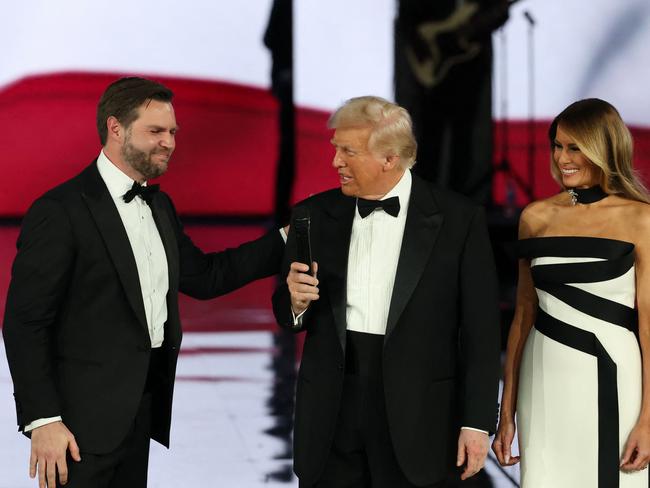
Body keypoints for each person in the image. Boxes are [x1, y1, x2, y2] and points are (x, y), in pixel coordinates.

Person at [3, 77, 286, 488]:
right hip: (76, 429)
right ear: (115, 128)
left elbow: (205, 277)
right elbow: (24, 324)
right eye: (155, 131)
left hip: (138, 415)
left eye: (172, 132)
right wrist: (43, 420)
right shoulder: (60, 211)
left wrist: (286, 240)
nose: (169, 142)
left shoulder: (160, 205)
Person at [272, 96, 501, 487]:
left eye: (348, 151)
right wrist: (294, 302)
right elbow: (289, 310)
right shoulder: (312, 214)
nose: (335, 162)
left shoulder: (458, 220)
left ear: (389, 158)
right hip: (332, 412)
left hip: (419, 416)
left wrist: (477, 423)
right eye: (335, 149)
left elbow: (482, 331)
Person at [492, 98, 650, 487]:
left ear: (603, 147)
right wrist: (507, 411)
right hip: (542, 379)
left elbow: (649, 319)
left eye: (575, 146)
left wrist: (648, 418)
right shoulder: (536, 217)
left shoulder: (640, 217)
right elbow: (523, 316)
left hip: (615, 378)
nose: (563, 157)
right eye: (558, 146)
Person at [394, 0, 510, 205]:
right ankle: (424, 202)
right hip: (429, 59)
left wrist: (495, 15)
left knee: (465, 139)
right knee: (428, 138)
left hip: (469, 63)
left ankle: (461, 202)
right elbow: (410, 14)